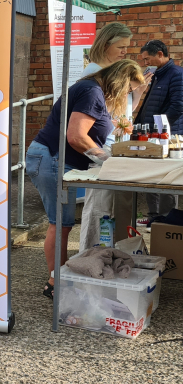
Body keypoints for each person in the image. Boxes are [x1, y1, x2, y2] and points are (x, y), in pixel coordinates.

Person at [27, 60, 145, 298]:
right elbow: (76, 137)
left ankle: (58, 278)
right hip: (52, 159)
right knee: (59, 224)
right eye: (128, 89)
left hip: (55, 159)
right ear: (119, 80)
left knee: (62, 224)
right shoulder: (92, 92)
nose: (126, 94)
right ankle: (55, 283)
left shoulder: (92, 91)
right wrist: (105, 158)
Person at [78, 24, 151, 251]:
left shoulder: (115, 70)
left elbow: (122, 115)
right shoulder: (93, 73)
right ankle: (93, 253)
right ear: (106, 44)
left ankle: (118, 251)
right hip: (100, 151)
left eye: (126, 48)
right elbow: (95, 119)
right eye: (120, 47)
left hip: (116, 149)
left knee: (119, 206)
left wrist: (136, 95)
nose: (124, 52)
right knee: (100, 207)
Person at [135, 39, 183, 223]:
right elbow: (149, 104)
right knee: (151, 174)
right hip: (151, 135)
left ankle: (166, 218)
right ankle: (153, 216)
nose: (145, 63)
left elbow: (178, 105)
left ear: (160, 54)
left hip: (168, 136)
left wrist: (160, 128)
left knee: (166, 176)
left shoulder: (177, 74)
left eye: (147, 59)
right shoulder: (156, 75)